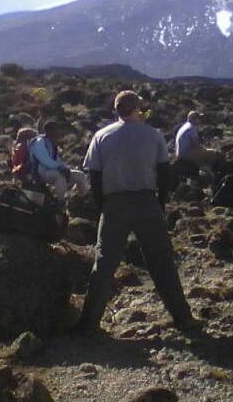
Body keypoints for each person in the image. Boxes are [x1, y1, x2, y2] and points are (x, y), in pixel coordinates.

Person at [75, 90, 200, 335]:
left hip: (114, 204)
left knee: (104, 264)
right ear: (138, 109)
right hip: (147, 202)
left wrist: (103, 206)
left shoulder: (101, 136)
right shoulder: (153, 135)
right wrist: (160, 203)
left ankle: (88, 324)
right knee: (162, 262)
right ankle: (183, 318)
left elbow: (95, 177)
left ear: (116, 110)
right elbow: (165, 174)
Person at [28, 121, 90, 204]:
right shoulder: (39, 142)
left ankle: (82, 200)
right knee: (60, 176)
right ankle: (61, 202)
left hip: (53, 170)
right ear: (49, 131)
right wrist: (59, 168)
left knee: (79, 175)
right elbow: (44, 159)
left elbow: (57, 160)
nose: (58, 132)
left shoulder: (52, 143)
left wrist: (65, 168)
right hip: (42, 172)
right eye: (56, 130)